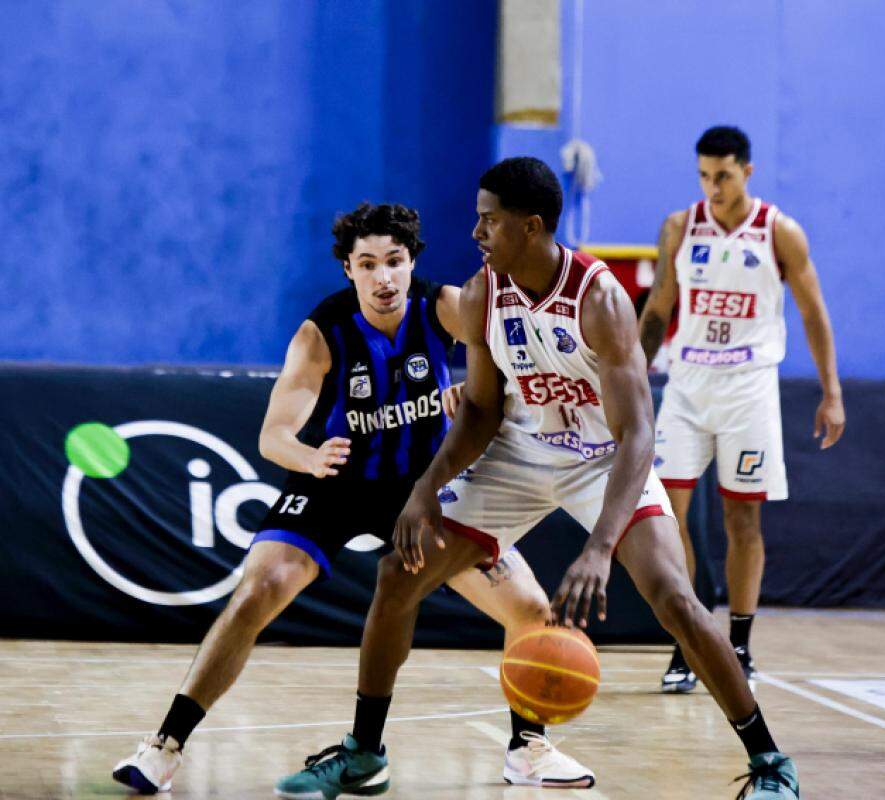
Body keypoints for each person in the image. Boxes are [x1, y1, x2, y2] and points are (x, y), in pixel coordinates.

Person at [275, 158, 801, 799]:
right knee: (397, 574)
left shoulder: (600, 298)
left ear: (531, 227)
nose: (475, 233)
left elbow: (638, 434)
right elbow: (480, 411)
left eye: (488, 221)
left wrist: (600, 548)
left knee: (674, 598)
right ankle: (363, 753)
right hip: (520, 455)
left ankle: (772, 763)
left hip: (605, 458)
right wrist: (424, 491)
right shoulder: (481, 293)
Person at [112, 202, 591, 795]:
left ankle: (529, 749)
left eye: (394, 261)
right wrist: (307, 457)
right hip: (334, 480)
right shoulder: (323, 333)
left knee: (529, 607)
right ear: (348, 270)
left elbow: (522, 369)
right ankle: (166, 745)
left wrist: (480, 389)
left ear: (412, 261)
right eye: (368, 264)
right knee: (259, 589)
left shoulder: (445, 308)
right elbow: (273, 435)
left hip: (423, 491)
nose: (384, 277)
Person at [638, 126, 845, 692]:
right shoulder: (681, 227)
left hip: (749, 385)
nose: (713, 186)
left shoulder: (780, 232)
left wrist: (832, 392)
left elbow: (813, 313)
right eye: (704, 175)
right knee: (664, 518)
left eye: (723, 176)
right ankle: (687, 641)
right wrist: (632, 380)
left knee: (742, 519)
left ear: (747, 172)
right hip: (686, 384)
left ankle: (739, 645)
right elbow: (657, 310)